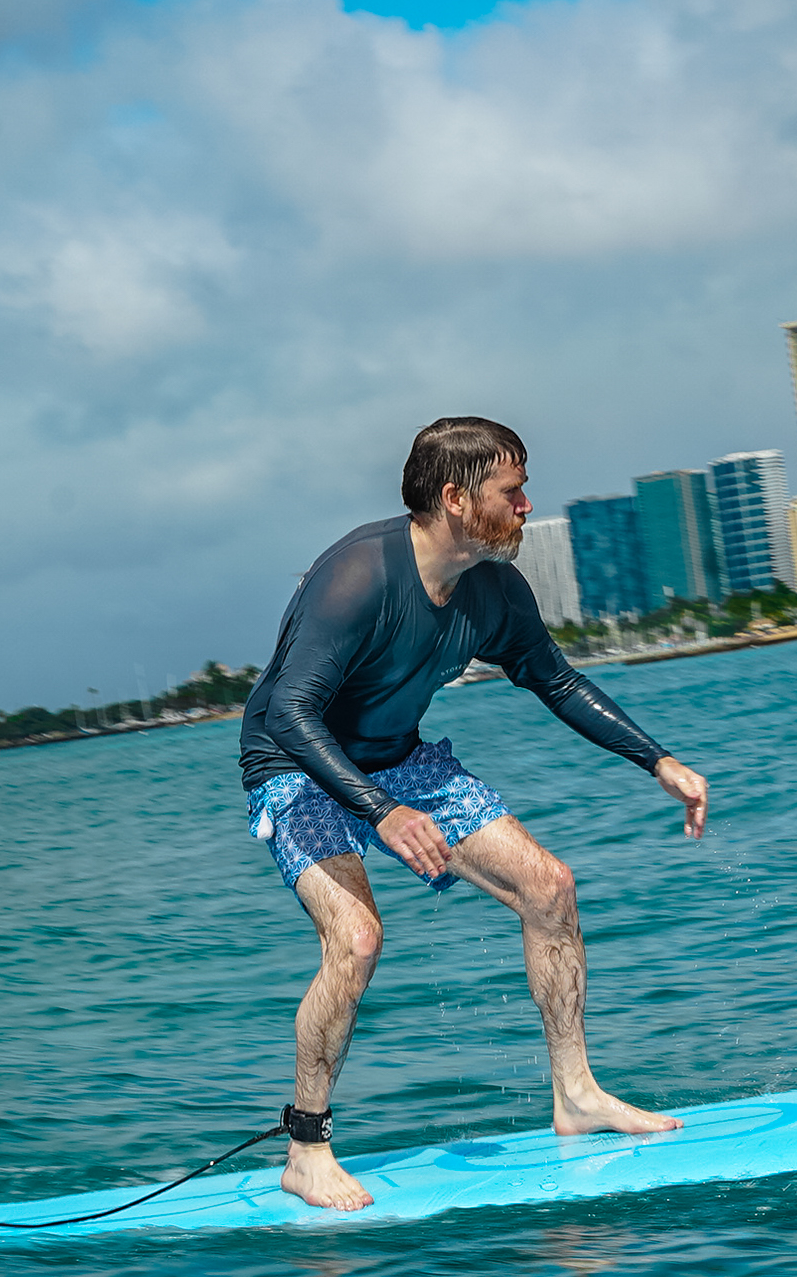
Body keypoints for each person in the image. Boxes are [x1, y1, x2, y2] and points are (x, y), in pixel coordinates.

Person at [237, 416, 711, 1211]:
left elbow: (555, 680)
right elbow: (289, 712)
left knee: (550, 888)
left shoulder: (493, 587)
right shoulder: (356, 578)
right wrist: (382, 812)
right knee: (355, 940)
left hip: (396, 758)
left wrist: (657, 759)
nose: (527, 504)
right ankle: (305, 1148)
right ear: (456, 499)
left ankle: (576, 1094)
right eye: (512, 491)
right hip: (298, 767)